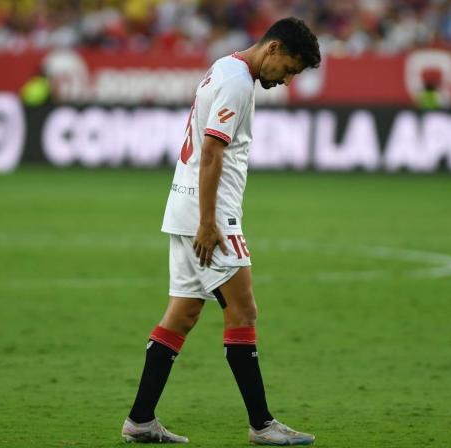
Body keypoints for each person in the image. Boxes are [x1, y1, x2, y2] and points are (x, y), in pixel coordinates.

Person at [121, 17, 321, 445]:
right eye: (289, 67)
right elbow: (212, 150)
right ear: (273, 48)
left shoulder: (224, 66)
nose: (287, 79)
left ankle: (140, 420)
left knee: (183, 313)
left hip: (183, 204)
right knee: (243, 311)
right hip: (209, 214)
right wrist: (209, 222)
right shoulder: (237, 82)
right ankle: (262, 425)